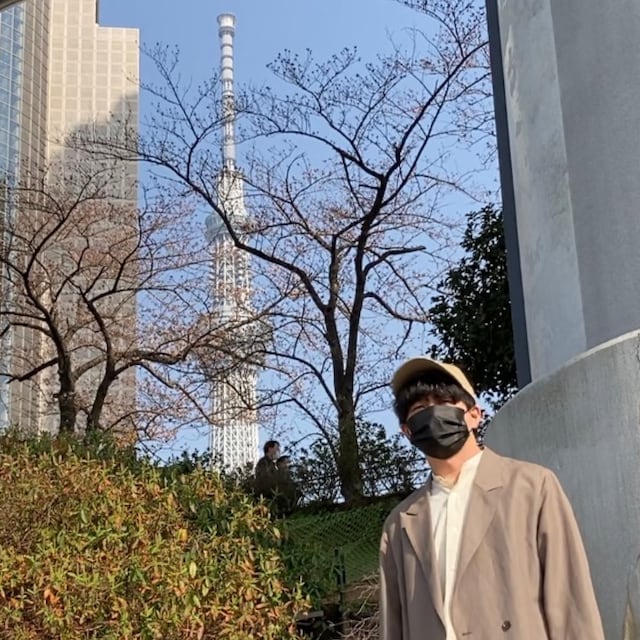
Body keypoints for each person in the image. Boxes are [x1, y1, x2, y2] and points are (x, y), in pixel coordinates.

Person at [379, 356, 604, 640]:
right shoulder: (400, 524)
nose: (434, 414)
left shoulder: (531, 488)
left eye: (445, 402)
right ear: (407, 430)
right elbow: (394, 626)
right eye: (420, 409)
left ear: (475, 414)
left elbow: (571, 603)